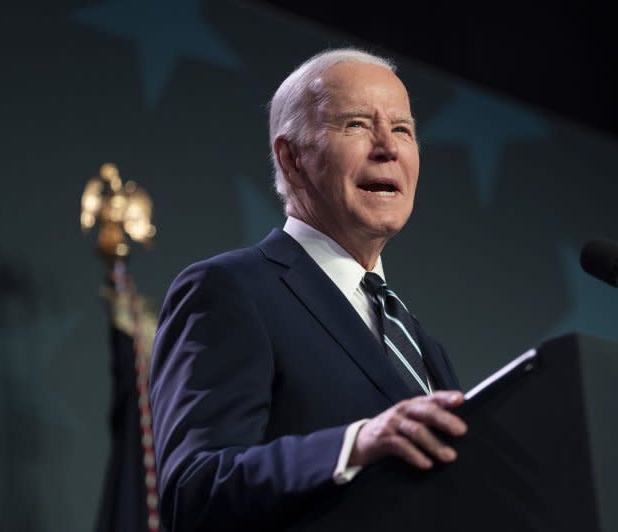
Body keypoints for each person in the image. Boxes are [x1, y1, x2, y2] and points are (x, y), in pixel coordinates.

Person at [149, 47, 467, 532]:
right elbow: (194, 491)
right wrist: (355, 445)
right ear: (292, 158)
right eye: (357, 125)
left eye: (403, 129)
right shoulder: (231, 290)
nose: (389, 148)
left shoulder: (422, 344)